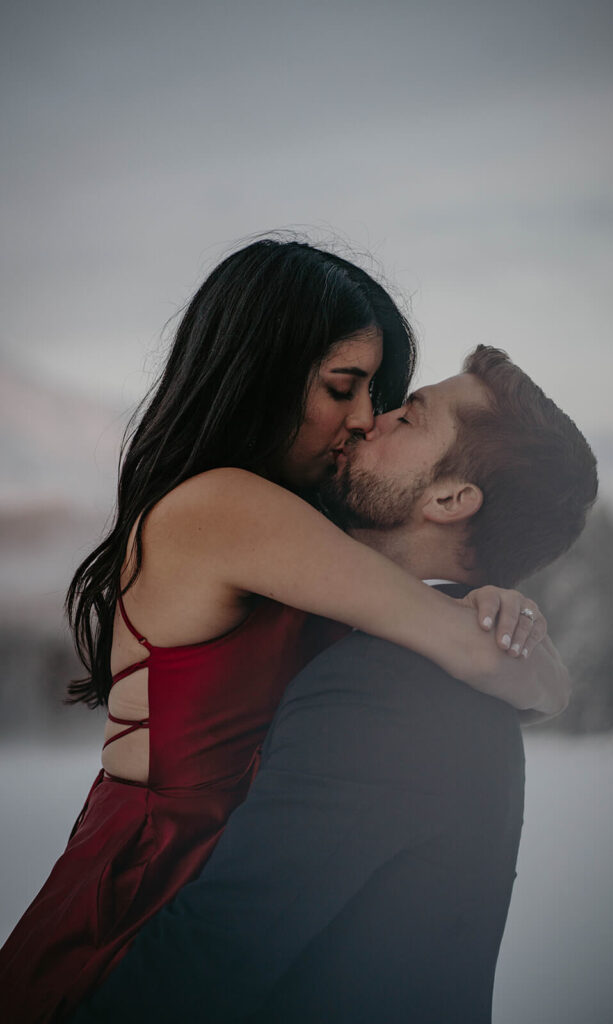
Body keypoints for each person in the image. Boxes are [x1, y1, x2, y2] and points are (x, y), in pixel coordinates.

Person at [0, 244, 558, 1023]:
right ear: (261, 369)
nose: (364, 417)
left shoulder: (296, 526)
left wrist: (496, 607)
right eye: (342, 386)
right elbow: (464, 645)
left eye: (376, 391)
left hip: (211, 894)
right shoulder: (223, 507)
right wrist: (521, 649)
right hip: (144, 904)